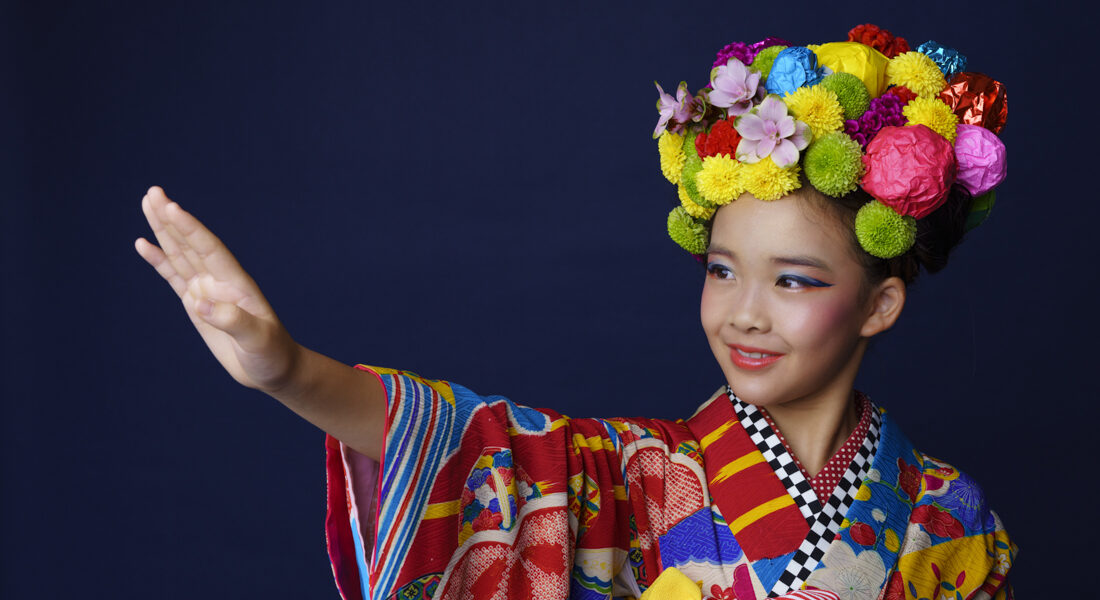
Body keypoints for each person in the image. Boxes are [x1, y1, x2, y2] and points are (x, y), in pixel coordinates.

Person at [136, 24, 1013, 600]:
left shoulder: (952, 516)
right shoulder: (636, 476)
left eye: (793, 281)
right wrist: (288, 371)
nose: (744, 314)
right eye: (720, 271)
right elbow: (477, 447)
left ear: (880, 304)